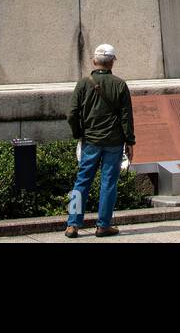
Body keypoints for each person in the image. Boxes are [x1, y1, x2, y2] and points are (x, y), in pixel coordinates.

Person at [64, 43, 135, 238]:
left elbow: (71, 114)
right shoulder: (120, 85)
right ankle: (103, 224)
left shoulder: (83, 83)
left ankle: (73, 224)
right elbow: (126, 117)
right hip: (114, 141)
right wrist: (130, 141)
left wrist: (79, 133)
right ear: (112, 62)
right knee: (108, 182)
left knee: (82, 181)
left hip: (91, 141)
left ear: (95, 61)